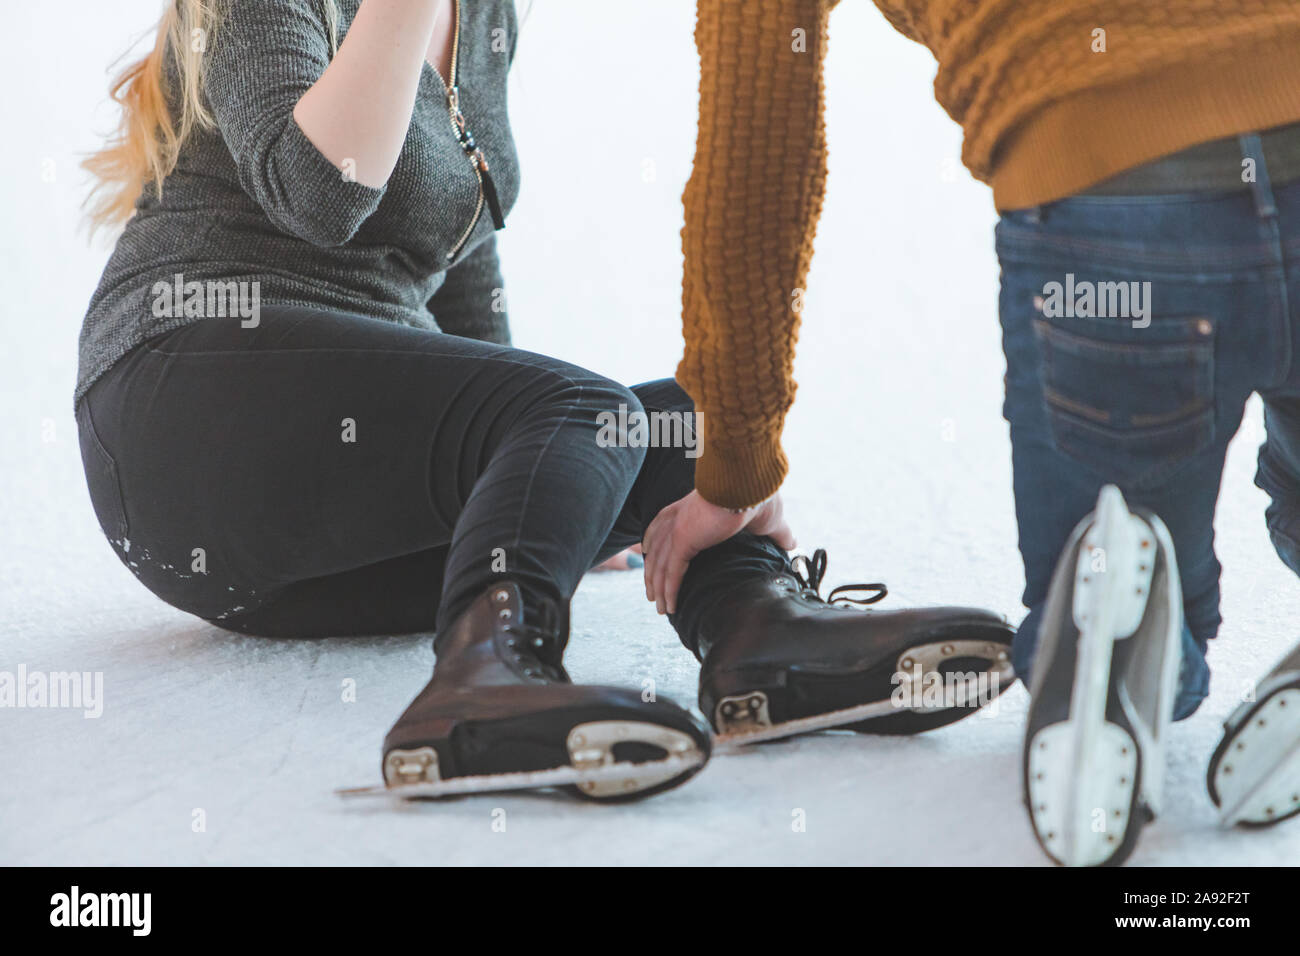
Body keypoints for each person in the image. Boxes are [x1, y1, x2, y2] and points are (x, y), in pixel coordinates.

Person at [75, 0, 1012, 801]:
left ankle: (760, 643)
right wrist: (553, 429)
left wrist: (546, 489)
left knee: (693, 421)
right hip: (181, 404)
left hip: (300, 545)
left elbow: (461, 252)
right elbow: (324, 192)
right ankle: (485, 680)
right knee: (579, 409)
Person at [662, 0, 1300, 862]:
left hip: (1120, 202)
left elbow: (757, 145)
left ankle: (1113, 626)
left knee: (1127, 577)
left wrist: (735, 464)